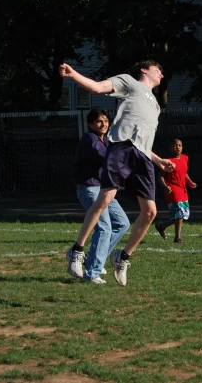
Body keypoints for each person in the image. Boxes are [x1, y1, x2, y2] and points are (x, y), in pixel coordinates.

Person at [60, 59, 175, 286]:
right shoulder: (130, 82)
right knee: (105, 199)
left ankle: (122, 258)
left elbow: (142, 140)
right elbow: (96, 87)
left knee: (150, 212)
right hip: (121, 147)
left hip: (142, 156)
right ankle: (77, 250)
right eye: (158, 69)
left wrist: (158, 159)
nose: (161, 73)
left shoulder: (156, 105)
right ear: (144, 70)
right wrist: (73, 75)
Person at [73, 108, 130, 284]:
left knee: (122, 223)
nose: (104, 124)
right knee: (104, 227)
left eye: (106, 121)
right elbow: (107, 158)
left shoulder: (105, 140)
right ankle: (92, 272)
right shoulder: (90, 139)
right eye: (99, 121)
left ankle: (93, 259)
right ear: (91, 124)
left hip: (103, 189)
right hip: (89, 188)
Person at [155, 138, 197, 244]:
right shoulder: (168, 162)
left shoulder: (185, 158)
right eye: (174, 145)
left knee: (182, 215)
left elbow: (184, 172)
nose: (177, 147)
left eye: (179, 145)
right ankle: (177, 238)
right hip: (172, 190)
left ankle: (162, 226)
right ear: (170, 148)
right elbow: (160, 176)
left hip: (183, 189)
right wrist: (165, 186)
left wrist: (190, 182)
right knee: (179, 213)